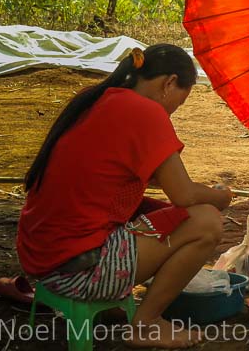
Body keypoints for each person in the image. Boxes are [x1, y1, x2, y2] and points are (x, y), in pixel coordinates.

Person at [17, 45, 233, 349]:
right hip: (76, 271)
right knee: (207, 221)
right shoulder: (145, 111)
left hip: (41, 260)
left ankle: (120, 304)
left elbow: (130, 179)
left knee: (172, 213)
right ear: (169, 83)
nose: (174, 111)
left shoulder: (98, 99)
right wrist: (219, 196)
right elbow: (183, 194)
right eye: (179, 102)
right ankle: (146, 325)